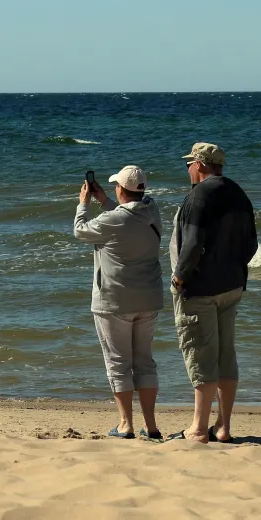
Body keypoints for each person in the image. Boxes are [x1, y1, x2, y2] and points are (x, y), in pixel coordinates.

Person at [168, 142, 258, 443]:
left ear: (200, 164)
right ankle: (223, 426)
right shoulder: (238, 193)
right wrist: (232, 267)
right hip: (232, 285)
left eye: (189, 164)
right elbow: (251, 245)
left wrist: (180, 277)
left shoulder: (198, 196)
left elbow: (192, 244)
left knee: (201, 355)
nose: (188, 169)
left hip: (201, 289)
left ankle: (198, 428)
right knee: (225, 355)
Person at [73, 165, 165, 440]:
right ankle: (151, 426)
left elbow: (80, 230)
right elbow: (127, 215)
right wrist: (104, 200)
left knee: (118, 363)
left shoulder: (111, 220)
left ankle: (126, 424)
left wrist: (83, 203)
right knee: (145, 362)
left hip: (114, 301)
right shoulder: (152, 210)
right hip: (148, 298)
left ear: (121, 190)